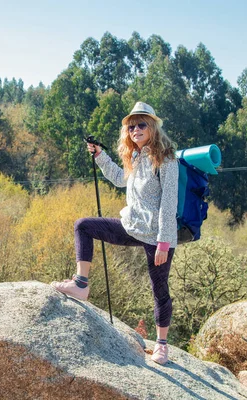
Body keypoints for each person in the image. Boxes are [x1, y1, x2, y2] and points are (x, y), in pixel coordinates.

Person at [51, 101, 179, 365]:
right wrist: (100, 155)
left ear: (153, 126)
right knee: (83, 225)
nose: (136, 130)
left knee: (159, 289)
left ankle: (162, 345)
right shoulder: (135, 156)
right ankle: (80, 285)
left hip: (157, 236)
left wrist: (164, 242)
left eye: (141, 124)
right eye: (131, 126)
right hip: (131, 226)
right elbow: (121, 179)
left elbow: (169, 203)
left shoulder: (166, 158)